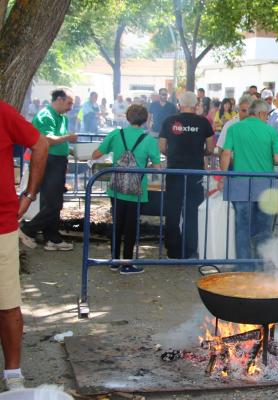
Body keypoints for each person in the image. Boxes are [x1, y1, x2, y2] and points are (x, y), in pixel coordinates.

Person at [0, 101, 48, 391]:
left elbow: (40, 144)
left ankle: (13, 374)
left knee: (7, 304)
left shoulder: (3, 112)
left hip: (2, 225)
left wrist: (29, 194)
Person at [91, 104, 161, 274]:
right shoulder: (149, 140)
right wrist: (148, 165)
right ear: (145, 120)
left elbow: (96, 154)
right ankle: (127, 263)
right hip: (137, 191)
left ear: (127, 117)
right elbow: (158, 167)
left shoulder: (116, 134)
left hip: (116, 188)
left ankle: (114, 261)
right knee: (131, 227)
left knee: (117, 224)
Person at [220, 100, 278, 271]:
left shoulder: (235, 128)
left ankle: (244, 266)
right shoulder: (271, 131)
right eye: (267, 115)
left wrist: (222, 177)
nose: (267, 119)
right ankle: (262, 265)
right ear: (262, 114)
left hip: (241, 183)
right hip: (266, 184)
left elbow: (226, 154)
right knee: (264, 228)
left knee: (242, 226)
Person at [19, 89, 78, 251]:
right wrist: (68, 138)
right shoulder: (45, 115)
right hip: (48, 161)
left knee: (50, 201)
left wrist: (72, 151)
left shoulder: (62, 118)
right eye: (69, 103)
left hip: (58, 161)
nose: (71, 107)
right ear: (59, 99)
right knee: (54, 204)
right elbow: (47, 140)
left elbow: (59, 140)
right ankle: (27, 229)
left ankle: (52, 237)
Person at [159, 92, 215, 259]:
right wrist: (199, 153)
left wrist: (174, 154)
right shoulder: (203, 122)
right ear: (196, 104)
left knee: (173, 211)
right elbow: (211, 149)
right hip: (195, 172)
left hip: (174, 171)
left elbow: (162, 147)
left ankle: (173, 250)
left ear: (179, 104)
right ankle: (190, 248)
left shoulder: (169, 121)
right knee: (192, 211)